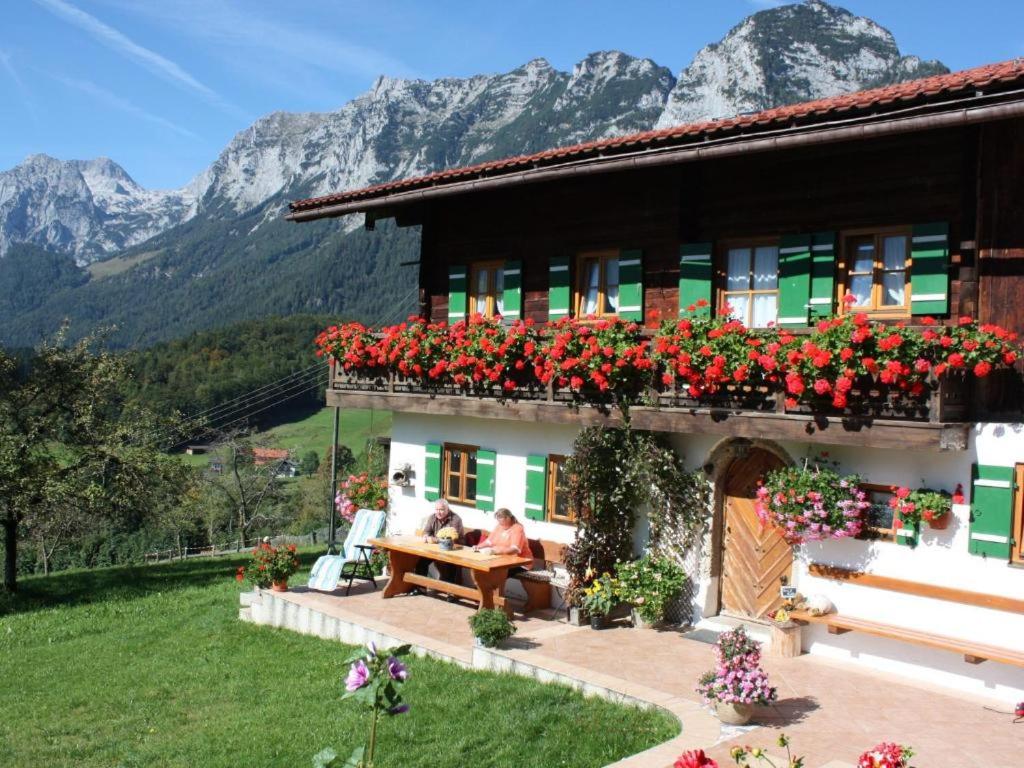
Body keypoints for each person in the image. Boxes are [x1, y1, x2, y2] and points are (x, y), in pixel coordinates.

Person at [413, 499, 465, 594]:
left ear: (447, 509)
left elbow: (451, 537)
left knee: (450, 564)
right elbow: (426, 531)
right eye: (436, 509)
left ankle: (451, 593)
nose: (438, 512)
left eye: (441, 510)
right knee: (421, 562)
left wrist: (434, 539)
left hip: (454, 549)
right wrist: (425, 536)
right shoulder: (433, 517)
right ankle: (421, 588)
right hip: (437, 549)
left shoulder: (455, 519)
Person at [474, 508, 534, 574]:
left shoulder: (517, 528)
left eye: (501, 522)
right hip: (503, 560)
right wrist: (478, 547)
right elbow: (489, 541)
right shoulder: (499, 526)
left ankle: (495, 584)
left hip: (521, 563)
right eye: (498, 521)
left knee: (496, 572)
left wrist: (495, 551)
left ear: (508, 518)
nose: (500, 524)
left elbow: (515, 549)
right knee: (482, 568)